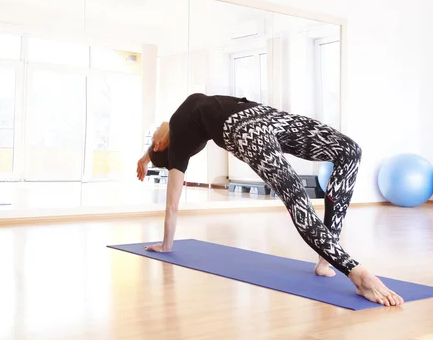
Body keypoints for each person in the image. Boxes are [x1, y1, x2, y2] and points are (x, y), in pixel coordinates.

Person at [136, 93, 404, 307]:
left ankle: (327, 257)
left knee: (348, 151)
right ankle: (356, 272)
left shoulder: (174, 127)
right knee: (297, 190)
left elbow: (162, 137)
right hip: (251, 124)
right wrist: (166, 244)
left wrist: (146, 158)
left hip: (263, 117)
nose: (157, 139)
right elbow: (171, 202)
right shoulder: (178, 138)